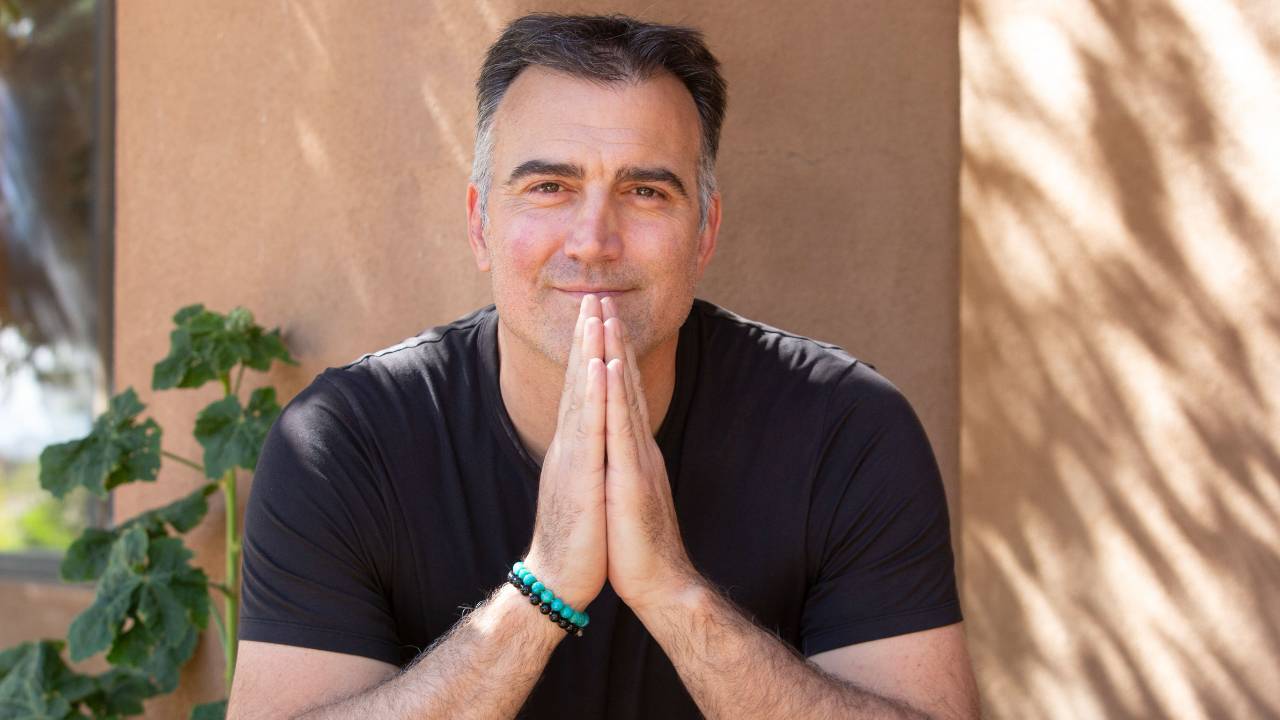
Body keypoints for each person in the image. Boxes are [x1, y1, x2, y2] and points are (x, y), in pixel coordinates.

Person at [227, 13, 979, 720]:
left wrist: (673, 595)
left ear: (705, 232)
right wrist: (544, 588)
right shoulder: (344, 442)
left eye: (645, 191)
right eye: (549, 188)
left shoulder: (846, 431)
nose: (593, 240)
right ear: (480, 223)